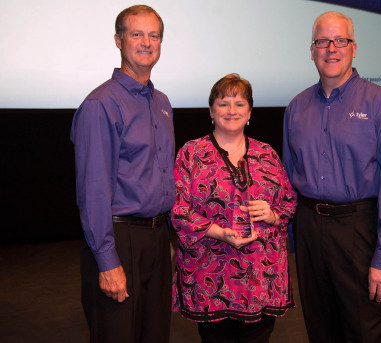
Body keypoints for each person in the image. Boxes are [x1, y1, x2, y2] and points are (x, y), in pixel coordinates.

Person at [283, 11, 381, 343]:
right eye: (323, 41)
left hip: (358, 231)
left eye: (340, 40)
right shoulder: (296, 108)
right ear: (312, 51)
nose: (331, 48)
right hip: (309, 230)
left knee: (364, 330)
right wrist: (292, 241)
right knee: (320, 328)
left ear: (354, 48)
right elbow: (287, 178)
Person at [70, 5, 174, 342]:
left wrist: (166, 239)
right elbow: (94, 190)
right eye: (136, 34)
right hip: (119, 240)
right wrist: (106, 259)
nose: (146, 42)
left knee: (154, 335)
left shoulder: (162, 102)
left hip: (157, 239)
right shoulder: (102, 104)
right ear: (118, 40)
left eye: (154, 35)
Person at [171, 73, 297, 343]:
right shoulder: (191, 153)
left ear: (249, 112)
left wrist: (272, 214)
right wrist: (217, 231)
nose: (231, 111)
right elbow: (178, 209)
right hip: (210, 276)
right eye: (223, 103)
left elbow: (289, 202)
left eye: (239, 104)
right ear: (211, 111)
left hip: (263, 277)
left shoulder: (268, 153)